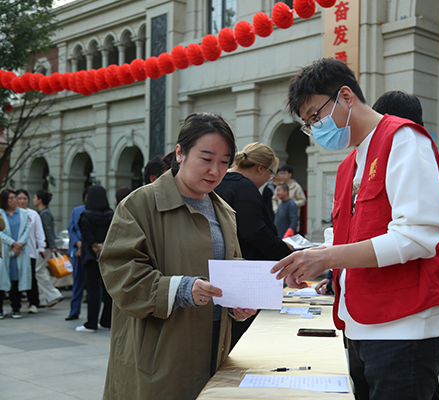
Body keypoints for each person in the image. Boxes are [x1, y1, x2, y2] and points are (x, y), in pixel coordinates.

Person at [272, 58, 439, 400]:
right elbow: (346, 234)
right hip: (360, 322)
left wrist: (327, 257)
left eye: (316, 115)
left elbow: (416, 236)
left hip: (405, 324)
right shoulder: (349, 164)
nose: (315, 128)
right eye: (308, 123)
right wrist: (313, 259)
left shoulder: (402, 139)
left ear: (346, 96)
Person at [99, 113, 255, 399]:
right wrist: (180, 289)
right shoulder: (139, 205)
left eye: (224, 161)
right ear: (180, 153)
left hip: (214, 343)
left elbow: (231, 267)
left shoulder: (224, 212)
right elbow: (120, 273)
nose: (215, 171)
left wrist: (237, 302)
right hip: (161, 349)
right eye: (206, 159)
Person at [214, 141, 293, 348]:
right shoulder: (244, 187)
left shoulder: (219, 181)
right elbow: (255, 231)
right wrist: (286, 254)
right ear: (260, 168)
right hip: (244, 277)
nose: (269, 179)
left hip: (220, 272)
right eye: (270, 173)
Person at [75, 186, 114, 333]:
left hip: (91, 257)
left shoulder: (86, 215)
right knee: (108, 289)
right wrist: (104, 246)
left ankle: (91, 323)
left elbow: (87, 235)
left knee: (93, 290)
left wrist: (95, 247)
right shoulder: (111, 215)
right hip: (108, 256)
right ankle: (106, 321)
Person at [0, 189, 31, 319]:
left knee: (16, 279)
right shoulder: (0, 214)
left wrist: (19, 245)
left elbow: (27, 229)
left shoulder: (24, 213)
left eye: (15, 198)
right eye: (11, 198)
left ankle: (16, 308)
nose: (14, 201)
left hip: (20, 251)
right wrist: (13, 243)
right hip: (4, 250)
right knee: (1, 280)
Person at [15, 189, 46, 315]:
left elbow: (39, 232)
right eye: (19, 198)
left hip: (30, 252)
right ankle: (15, 305)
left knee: (31, 278)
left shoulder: (33, 214)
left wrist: (42, 247)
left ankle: (33, 303)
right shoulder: (10, 214)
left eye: (25, 199)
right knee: (15, 279)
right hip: (14, 253)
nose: (22, 201)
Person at [33, 190, 63, 307]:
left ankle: (53, 294)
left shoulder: (44, 213)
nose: (33, 199)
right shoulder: (43, 212)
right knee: (41, 271)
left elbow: (48, 230)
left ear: (40, 200)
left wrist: (52, 246)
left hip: (44, 247)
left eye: (35, 197)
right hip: (45, 246)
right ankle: (45, 298)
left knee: (38, 271)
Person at [66, 187, 88, 321]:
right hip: (77, 251)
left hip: (90, 251)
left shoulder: (98, 212)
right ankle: (74, 311)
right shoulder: (77, 211)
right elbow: (71, 229)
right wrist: (78, 244)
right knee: (77, 282)